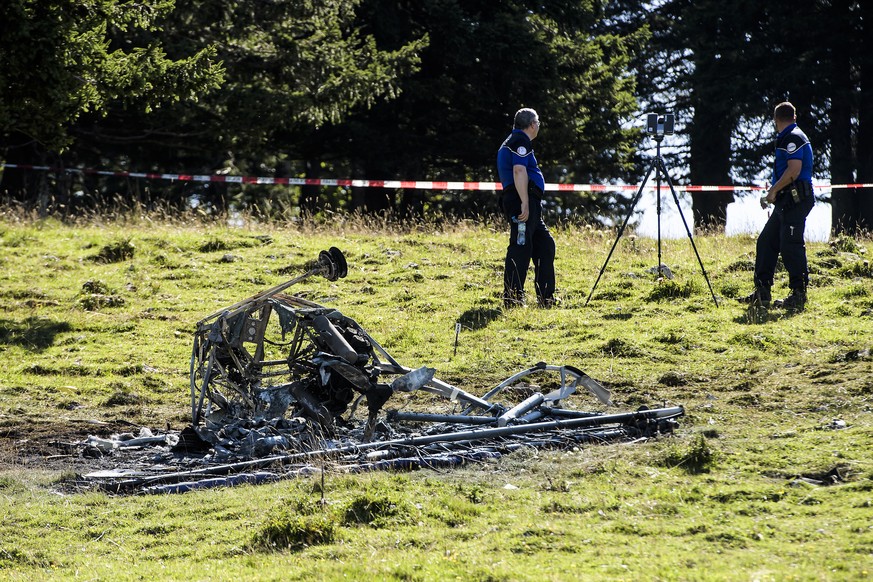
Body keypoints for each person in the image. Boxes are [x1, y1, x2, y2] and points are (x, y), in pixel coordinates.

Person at [740, 101, 815, 311]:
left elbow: (794, 170)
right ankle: (762, 292)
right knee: (766, 242)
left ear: (776, 120)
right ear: (794, 116)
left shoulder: (793, 138)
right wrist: (775, 190)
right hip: (786, 200)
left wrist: (773, 190)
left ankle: (798, 294)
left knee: (790, 244)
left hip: (795, 199)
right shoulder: (791, 136)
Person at [496, 107, 556, 308]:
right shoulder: (520, 141)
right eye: (537, 122)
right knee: (521, 247)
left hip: (529, 201)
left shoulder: (513, 140)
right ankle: (512, 299)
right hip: (523, 199)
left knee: (545, 246)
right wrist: (524, 202)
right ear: (532, 124)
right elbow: (519, 170)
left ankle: (546, 299)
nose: (538, 126)